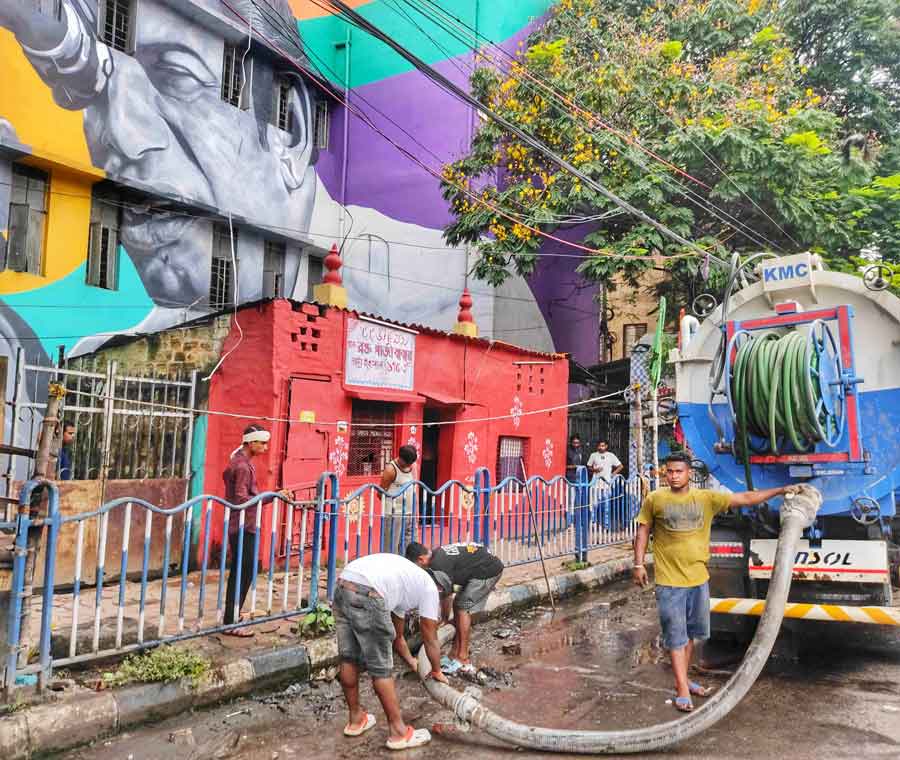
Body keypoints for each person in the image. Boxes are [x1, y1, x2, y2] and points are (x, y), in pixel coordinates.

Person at [633, 451, 796, 712]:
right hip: (669, 581)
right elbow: (642, 530)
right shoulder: (655, 499)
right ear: (665, 473)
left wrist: (779, 490)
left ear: (689, 474)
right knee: (675, 636)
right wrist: (639, 563)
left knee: (690, 636)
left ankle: (683, 681)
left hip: (698, 579)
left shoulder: (706, 499)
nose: (673, 476)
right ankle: (683, 690)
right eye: (670, 472)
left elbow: (744, 498)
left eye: (679, 471)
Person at [335, 552, 448, 750]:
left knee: (349, 657)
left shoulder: (407, 580)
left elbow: (398, 636)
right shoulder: (430, 589)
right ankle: (398, 732)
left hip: (344, 583)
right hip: (369, 590)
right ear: (440, 590)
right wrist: (437, 670)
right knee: (381, 667)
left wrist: (412, 661)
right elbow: (430, 637)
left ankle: (356, 720)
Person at [222, 423, 290, 636]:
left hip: (243, 523)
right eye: (262, 443)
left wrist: (272, 494)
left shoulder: (240, 462)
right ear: (251, 443)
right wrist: (270, 496)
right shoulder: (242, 466)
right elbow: (242, 498)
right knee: (244, 571)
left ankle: (232, 615)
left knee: (242, 571)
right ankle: (231, 621)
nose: (265, 447)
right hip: (243, 524)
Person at [406, 541, 504, 675]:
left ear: (421, 559)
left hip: (488, 571)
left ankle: (463, 658)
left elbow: (442, 595)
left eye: (416, 567)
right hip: (480, 566)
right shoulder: (436, 556)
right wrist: (445, 619)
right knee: (458, 605)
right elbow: (447, 593)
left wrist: (434, 623)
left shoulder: (437, 567)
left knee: (462, 607)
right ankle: (454, 654)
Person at [380, 445, 418, 555]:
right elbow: (381, 493)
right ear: (400, 458)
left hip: (409, 513)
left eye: (411, 463)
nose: (409, 465)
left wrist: (416, 512)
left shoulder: (413, 466)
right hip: (393, 514)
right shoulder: (390, 469)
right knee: (391, 548)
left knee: (411, 547)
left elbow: (415, 488)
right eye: (407, 463)